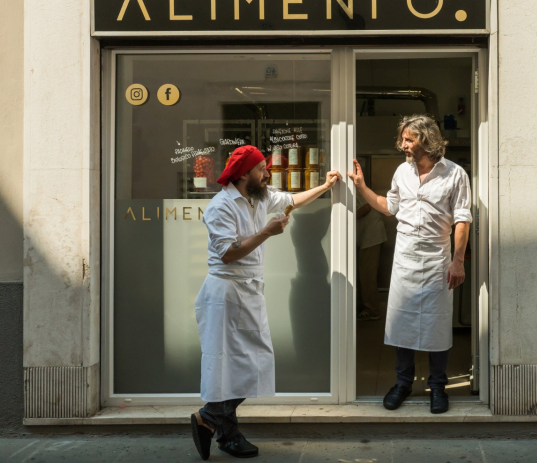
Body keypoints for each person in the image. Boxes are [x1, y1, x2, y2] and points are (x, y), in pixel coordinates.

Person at [191, 145, 341, 460]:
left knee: (251, 365)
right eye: (261, 168)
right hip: (226, 295)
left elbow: (293, 200)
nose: (267, 173)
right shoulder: (221, 206)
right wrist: (266, 232)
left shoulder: (258, 196)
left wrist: (326, 187)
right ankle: (222, 429)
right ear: (244, 173)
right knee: (231, 368)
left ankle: (212, 420)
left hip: (247, 292)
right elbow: (227, 252)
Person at [347, 115, 471, 415]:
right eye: (403, 139)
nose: (403, 144)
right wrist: (362, 186)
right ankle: (402, 384)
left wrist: (457, 261)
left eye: (408, 139)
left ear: (426, 140)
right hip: (404, 259)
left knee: (437, 324)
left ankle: (438, 387)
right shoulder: (401, 172)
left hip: (437, 259)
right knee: (402, 323)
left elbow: (462, 218)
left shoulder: (455, 174)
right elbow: (389, 207)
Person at [356, 193, 387, 321]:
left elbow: (366, 208)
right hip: (367, 235)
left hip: (371, 236)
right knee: (363, 274)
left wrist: (345, 219)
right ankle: (363, 307)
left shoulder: (353, 188)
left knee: (367, 275)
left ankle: (372, 310)